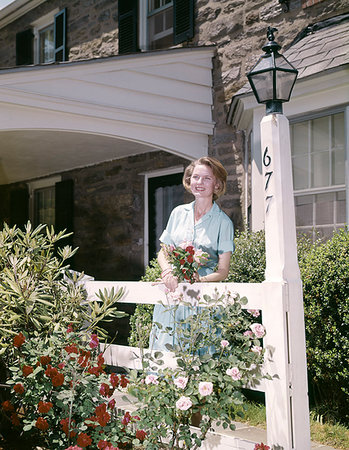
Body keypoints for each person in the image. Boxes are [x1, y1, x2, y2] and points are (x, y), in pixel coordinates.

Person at [150, 156, 234, 350]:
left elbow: (223, 271)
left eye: (206, 178)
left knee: (198, 350)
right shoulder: (178, 213)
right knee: (165, 347)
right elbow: (163, 252)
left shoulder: (223, 223)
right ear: (189, 181)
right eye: (195, 177)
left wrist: (200, 280)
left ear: (217, 184)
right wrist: (167, 272)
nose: (199, 182)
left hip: (201, 297)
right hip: (172, 290)